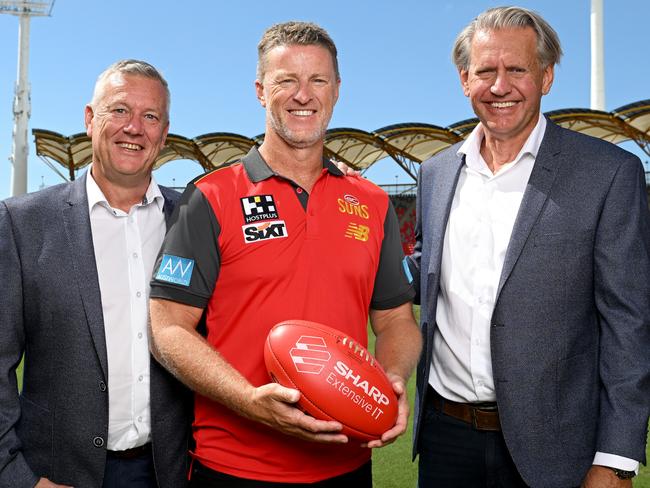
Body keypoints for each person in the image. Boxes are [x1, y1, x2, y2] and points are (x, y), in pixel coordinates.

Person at [148, 21, 422, 487]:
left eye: (317, 80)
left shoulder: (373, 203)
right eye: (286, 81)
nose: (303, 95)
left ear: (337, 91)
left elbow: (397, 321)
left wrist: (390, 381)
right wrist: (248, 398)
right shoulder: (210, 196)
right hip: (233, 468)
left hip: (346, 465)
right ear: (260, 90)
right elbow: (168, 327)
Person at [408, 6, 650, 487]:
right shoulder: (435, 174)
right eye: (486, 71)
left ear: (547, 76)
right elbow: (426, 269)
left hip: (558, 447)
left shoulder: (607, 173)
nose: (501, 86)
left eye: (517, 69)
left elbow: (630, 323)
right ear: (464, 79)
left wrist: (617, 458)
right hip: (445, 439)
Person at [0, 60, 192, 488]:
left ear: (163, 134)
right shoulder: (22, 223)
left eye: (150, 117)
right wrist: (17, 477)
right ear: (90, 119)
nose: (134, 128)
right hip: (58, 474)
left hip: (169, 471)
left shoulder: (193, 220)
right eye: (120, 110)